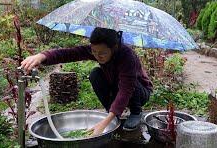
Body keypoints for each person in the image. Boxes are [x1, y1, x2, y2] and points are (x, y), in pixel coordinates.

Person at [21, 27, 153, 135]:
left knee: (130, 82)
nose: (97, 55)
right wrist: (42, 56)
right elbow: (69, 53)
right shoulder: (97, 50)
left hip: (139, 92)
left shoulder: (127, 56)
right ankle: (112, 113)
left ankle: (136, 112)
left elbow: (126, 90)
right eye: (94, 51)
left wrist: (105, 123)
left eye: (102, 53)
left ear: (114, 48)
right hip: (116, 85)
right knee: (95, 74)